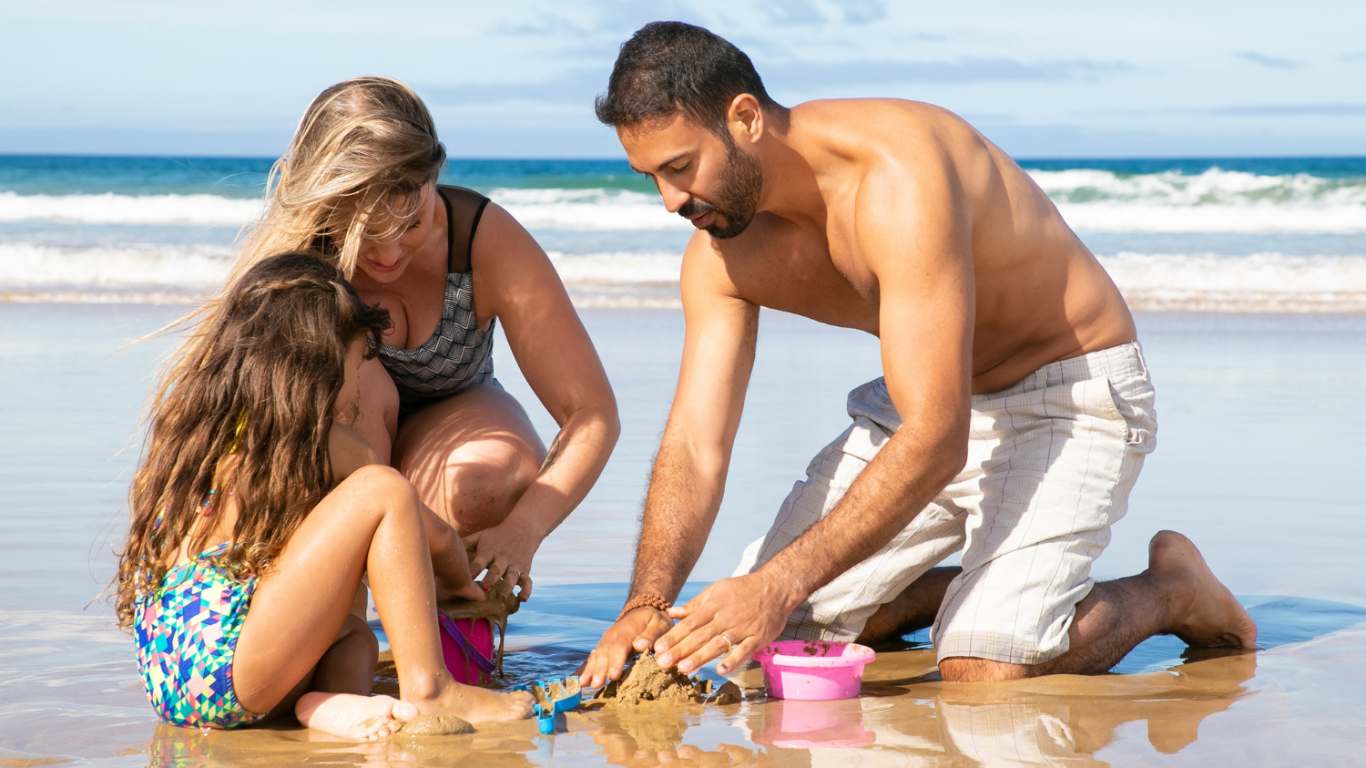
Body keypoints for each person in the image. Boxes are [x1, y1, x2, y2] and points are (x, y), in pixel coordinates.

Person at [582, 22, 1256, 687]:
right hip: (925, 397)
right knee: (764, 643)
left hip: (1065, 394)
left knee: (982, 665)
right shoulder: (720, 257)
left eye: (680, 168)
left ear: (746, 118)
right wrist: (643, 605)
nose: (670, 201)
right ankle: (964, 590)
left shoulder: (897, 178)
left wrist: (778, 581)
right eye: (651, 178)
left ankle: (1171, 590)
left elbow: (939, 438)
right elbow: (697, 443)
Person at [115, 253, 533, 738]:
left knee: (353, 637)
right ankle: (432, 688)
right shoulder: (325, 443)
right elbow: (432, 534)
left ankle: (328, 704)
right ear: (322, 369)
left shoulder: (193, 435)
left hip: (172, 673)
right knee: (384, 491)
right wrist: (463, 584)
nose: (359, 386)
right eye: (357, 365)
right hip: (231, 665)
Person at [232, 77, 619, 600]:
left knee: (487, 483)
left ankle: (449, 625)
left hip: (457, 411)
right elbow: (248, 424)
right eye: (367, 233)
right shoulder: (305, 264)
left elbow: (592, 415)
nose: (390, 255)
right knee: (365, 388)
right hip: (344, 440)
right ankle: (346, 624)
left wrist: (524, 527)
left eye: (411, 224)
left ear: (434, 179)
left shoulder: (482, 239)